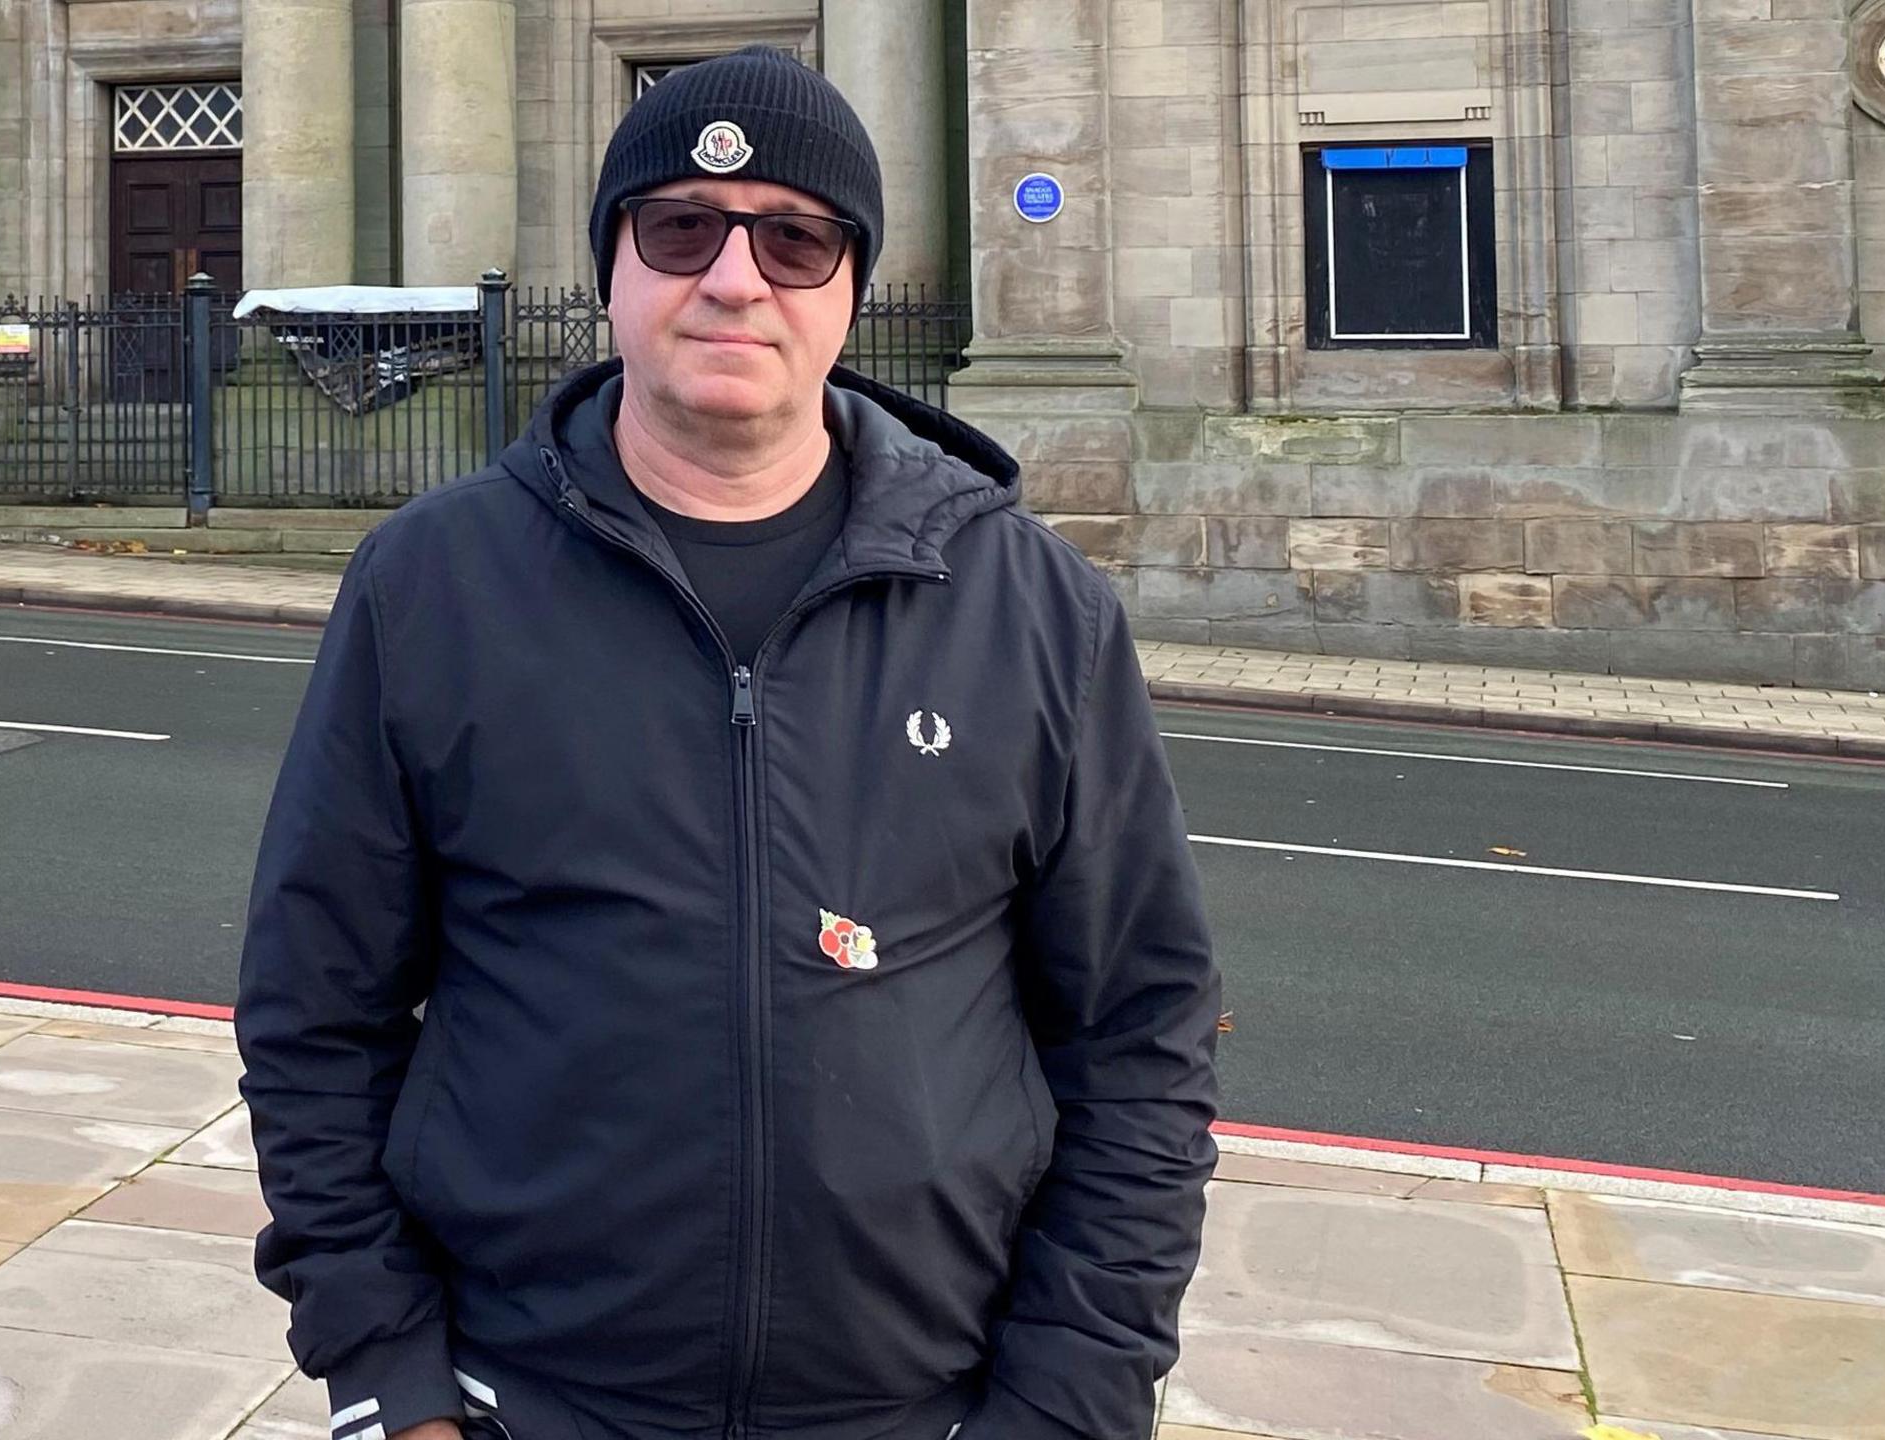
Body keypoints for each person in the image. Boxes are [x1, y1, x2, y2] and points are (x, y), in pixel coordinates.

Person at [237, 45, 1223, 1440]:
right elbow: (314, 1012)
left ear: (853, 286)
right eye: (681, 227)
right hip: (526, 1403)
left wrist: (1070, 1399)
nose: (735, 277)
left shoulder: (1035, 608)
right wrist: (389, 1380)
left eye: (796, 238)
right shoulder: (431, 586)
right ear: (614, 270)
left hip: (921, 1406)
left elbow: (1139, 1035)